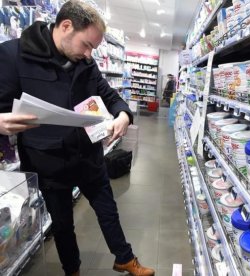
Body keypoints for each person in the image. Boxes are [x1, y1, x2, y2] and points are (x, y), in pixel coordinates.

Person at [0, 1, 154, 276]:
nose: (88, 54)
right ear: (66, 26)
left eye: (94, 48)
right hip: (48, 162)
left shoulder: (86, 62)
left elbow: (110, 96)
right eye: (87, 45)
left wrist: (123, 116)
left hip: (88, 156)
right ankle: (72, 271)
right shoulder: (13, 55)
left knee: (108, 210)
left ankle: (125, 259)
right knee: (62, 225)